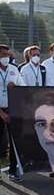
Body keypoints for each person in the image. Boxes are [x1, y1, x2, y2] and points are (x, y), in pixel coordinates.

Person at [0, 45, 23, 180]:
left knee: (14, 142)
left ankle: (13, 170)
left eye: (7, 55)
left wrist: (16, 87)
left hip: (12, 109)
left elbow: (23, 86)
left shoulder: (14, 69)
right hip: (1, 110)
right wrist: (1, 114)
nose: (6, 58)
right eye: (3, 55)